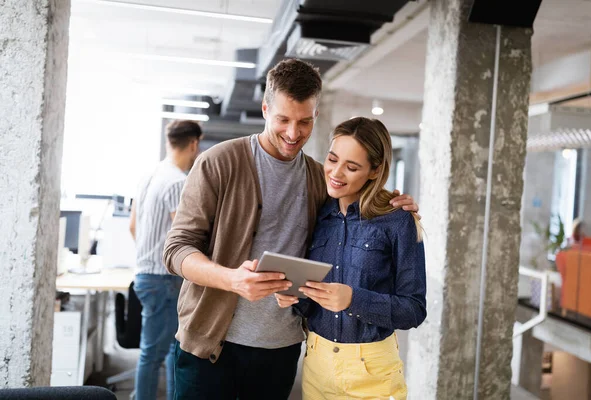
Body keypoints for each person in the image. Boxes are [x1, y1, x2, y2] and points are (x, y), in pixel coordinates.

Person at [162, 58, 419, 400]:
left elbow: (354, 212)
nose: (293, 133)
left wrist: (394, 202)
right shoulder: (219, 162)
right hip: (209, 345)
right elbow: (176, 249)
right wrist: (232, 279)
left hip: (279, 350)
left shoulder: (318, 178)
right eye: (283, 119)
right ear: (265, 108)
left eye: (304, 122)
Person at [275, 117, 426, 400]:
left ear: (374, 171)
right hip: (316, 365)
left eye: (352, 167)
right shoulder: (319, 215)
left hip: (372, 373)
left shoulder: (397, 221)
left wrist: (352, 300)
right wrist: (294, 297)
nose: (336, 172)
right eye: (332, 160)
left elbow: (414, 309)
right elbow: (311, 306)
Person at [129, 120, 203, 400]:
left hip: (145, 274)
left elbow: (132, 226)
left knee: (161, 351)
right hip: (164, 279)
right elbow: (183, 237)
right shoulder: (177, 182)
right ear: (194, 144)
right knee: (165, 352)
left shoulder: (149, 176)